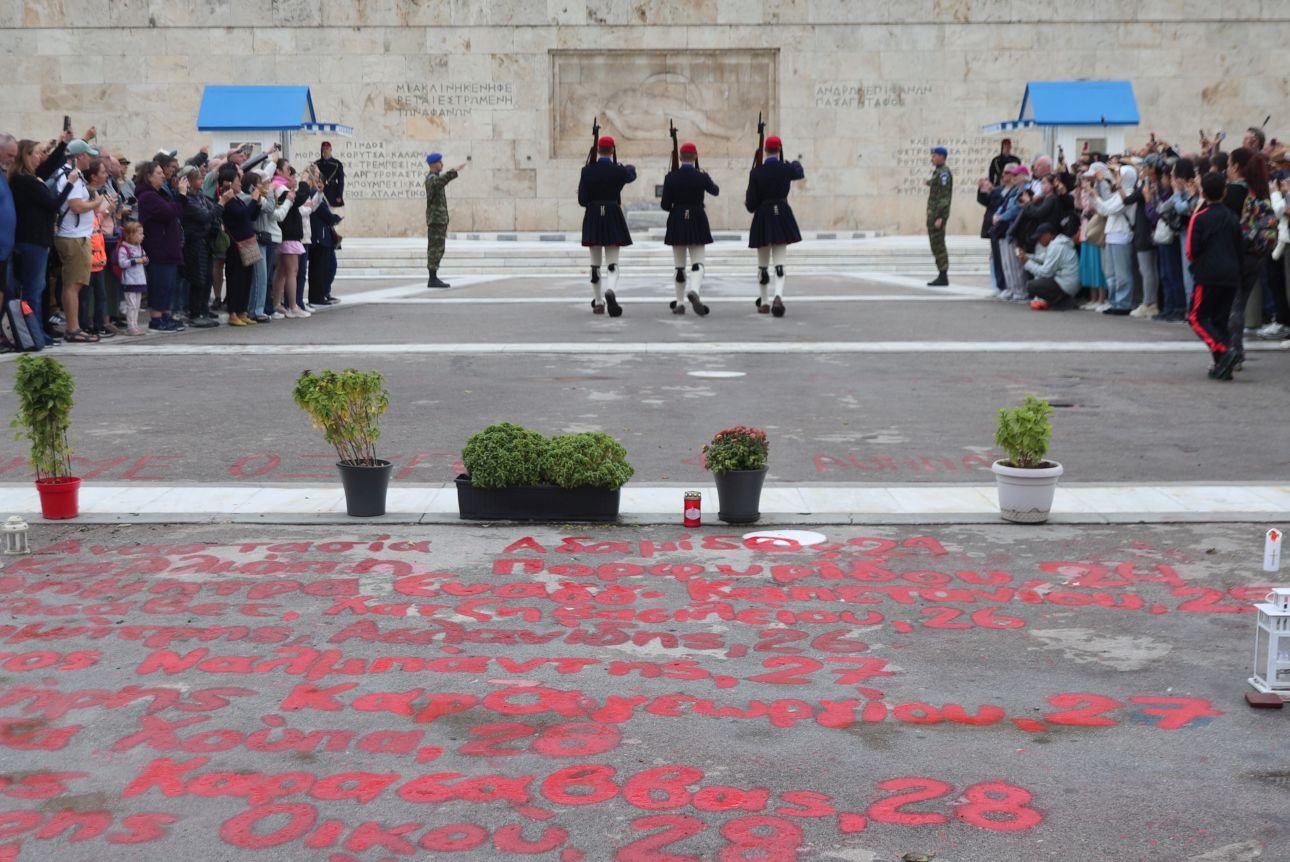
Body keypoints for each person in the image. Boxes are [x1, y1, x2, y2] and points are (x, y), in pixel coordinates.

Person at [8, 137, 71, 347]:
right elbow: (52, 204)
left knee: (39, 287)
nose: (39, 157)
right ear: (26, 155)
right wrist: (69, 185)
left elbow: (49, 166)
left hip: (39, 239)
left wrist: (62, 145)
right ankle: (33, 332)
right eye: (36, 153)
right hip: (31, 240)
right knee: (33, 290)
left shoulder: (31, 178)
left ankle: (38, 330)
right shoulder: (23, 180)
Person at [1186, 171, 1244, 380]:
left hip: (1208, 273)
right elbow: (1240, 246)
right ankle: (1221, 364)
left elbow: (1191, 250)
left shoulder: (1199, 218)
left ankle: (1224, 349)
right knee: (1220, 319)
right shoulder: (1232, 217)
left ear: (1202, 191)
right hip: (1231, 273)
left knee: (1195, 317)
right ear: (1224, 192)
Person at [54, 139, 109, 342]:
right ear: (80, 157)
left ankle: (74, 327)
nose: (91, 159)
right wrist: (96, 202)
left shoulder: (72, 176)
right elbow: (76, 206)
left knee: (74, 284)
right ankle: (73, 328)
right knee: (73, 284)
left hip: (76, 235)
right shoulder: (73, 177)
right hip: (73, 237)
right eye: (88, 155)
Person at [745, 134, 804, 317]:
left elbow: (751, 203)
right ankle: (778, 296)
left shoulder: (756, 172)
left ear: (765, 151)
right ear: (779, 150)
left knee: (762, 265)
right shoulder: (786, 169)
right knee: (780, 262)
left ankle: (764, 302)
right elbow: (799, 171)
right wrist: (791, 161)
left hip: (763, 214)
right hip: (782, 213)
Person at [579, 135, 636, 316]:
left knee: (595, 265)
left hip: (594, 214)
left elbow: (582, 200)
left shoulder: (587, 171)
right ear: (612, 151)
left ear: (597, 151)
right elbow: (631, 174)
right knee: (612, 262)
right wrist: (628, 166)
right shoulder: (618, 172)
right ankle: (610, 290)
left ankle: (597, 302)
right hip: (612, 213)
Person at [661, 140, 718, 316]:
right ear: (695, 157)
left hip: (677, 218)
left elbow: (664, 204)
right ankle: (694, 290)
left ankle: (679, 303)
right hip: (697, 217)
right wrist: (706, 177)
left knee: (679, 267)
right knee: (698, 262)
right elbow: (715, 191)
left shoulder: (671, 177)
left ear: (679, 157)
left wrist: (677, 209)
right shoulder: (701, 176)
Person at [136, 159, 187, 332]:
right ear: (149, 177)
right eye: (158, 173)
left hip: (168, 247)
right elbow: (170, 212)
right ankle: (156, 319)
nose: (163, 176)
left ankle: (166, 314)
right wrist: (181, 196)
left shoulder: (159, 194)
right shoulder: (148, 196)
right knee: (160, 284)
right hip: (158, 247)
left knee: (168, 284)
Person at [180, 164, 223, 327]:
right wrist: (222, 203)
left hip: (206, 241)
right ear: (188, 182)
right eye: (198, 178)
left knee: (207, 277)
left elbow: (212, 211)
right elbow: (206, 216)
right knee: (198, 278)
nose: (202, 181)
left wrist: (219, 206)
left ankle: (203, 309)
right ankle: (195, 312)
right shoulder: (188, 200)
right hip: (194, 241)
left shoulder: (200, 196)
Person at [221, 169, 263, 326]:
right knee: (236, 280)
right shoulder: (228, 200)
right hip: (236, 245)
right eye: (237, 180)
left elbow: (251, 216)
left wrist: (257, 203)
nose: (240, 183)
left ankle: (241, 311)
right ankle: (232, 312)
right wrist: (252, 200)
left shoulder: (237, 199)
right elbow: (242, 215)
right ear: (229, 182)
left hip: (248, 242)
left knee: (246, 279)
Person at [424, 152, 465, 288]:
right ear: (434, 164)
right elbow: (440, 182)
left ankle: (434, 277)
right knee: (435, 249)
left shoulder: (435, 178)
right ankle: (432, 279)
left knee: (438, 248)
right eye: (440, 162)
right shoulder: (431, 179)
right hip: (435, 221)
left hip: (439, 220)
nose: (442, 164)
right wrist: (454, 171)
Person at [1019, 223, 1079, 310]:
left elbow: (1045, 272)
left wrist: (1027, 263)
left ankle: (1063, 301)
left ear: (1048, 234)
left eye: (1040, 237)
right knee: (1038, 279)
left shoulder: (1056, 246)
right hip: (1067, 282)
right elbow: (1043, 258)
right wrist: (1027, 256)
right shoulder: (1057, 243)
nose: (1039, 240)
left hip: (1067, 284)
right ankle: (1062, 299)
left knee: (1031, 285)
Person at [925, 146, 953, 285]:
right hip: (933, 215)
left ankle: (943, 275)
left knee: (939, 244)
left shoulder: (943, 174)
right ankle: (941, 274)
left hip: (937, 216)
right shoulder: (938, 172)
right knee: (935, 244)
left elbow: (944, 197)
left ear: (942, 157)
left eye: (935, 155)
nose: (932, 158)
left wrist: (940, 217)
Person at [116, 221, 148, 336]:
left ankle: (135, 325)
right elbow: (122, 263)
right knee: (131, 305)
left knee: (137, 305)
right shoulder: (124, 248)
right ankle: (131, 326)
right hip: (129, 280)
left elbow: (145, 257)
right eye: (139, 233)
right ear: (130, 234)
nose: (142, 236)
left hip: (139, 279)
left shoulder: (140, 248)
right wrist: (136, 261)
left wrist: (145, 260)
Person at [315, 142, 345, 210]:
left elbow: (341, 181)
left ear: (331, 149)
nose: (326, 150)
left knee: (331, 211)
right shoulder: (317, 163)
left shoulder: (337, 164)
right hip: (320, 190)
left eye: (327, 149)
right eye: (324, 149)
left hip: (332, 190)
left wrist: (339, 195)